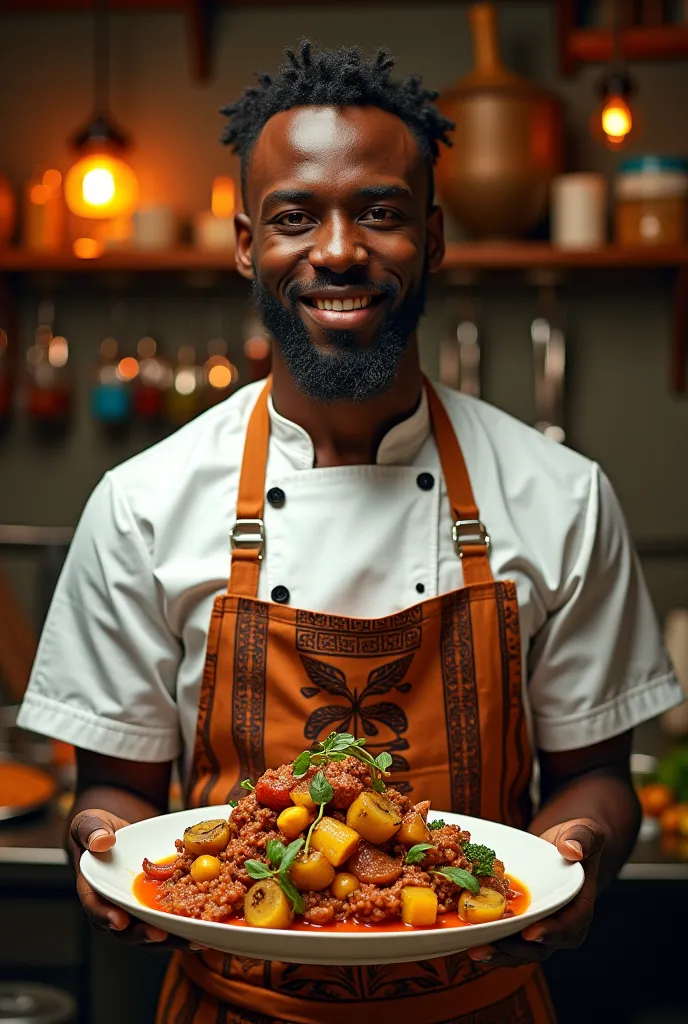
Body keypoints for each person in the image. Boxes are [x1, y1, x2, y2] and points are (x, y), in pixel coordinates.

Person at [18, 40, 683, 1024]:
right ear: (247, 244)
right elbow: (113, 793)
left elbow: (593, 774)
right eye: (295, 217)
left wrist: (577, 852)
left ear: (434, 234)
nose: (337, 249)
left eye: (379, 211)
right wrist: (105, 853)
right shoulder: (143, 502)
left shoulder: (563, 496)